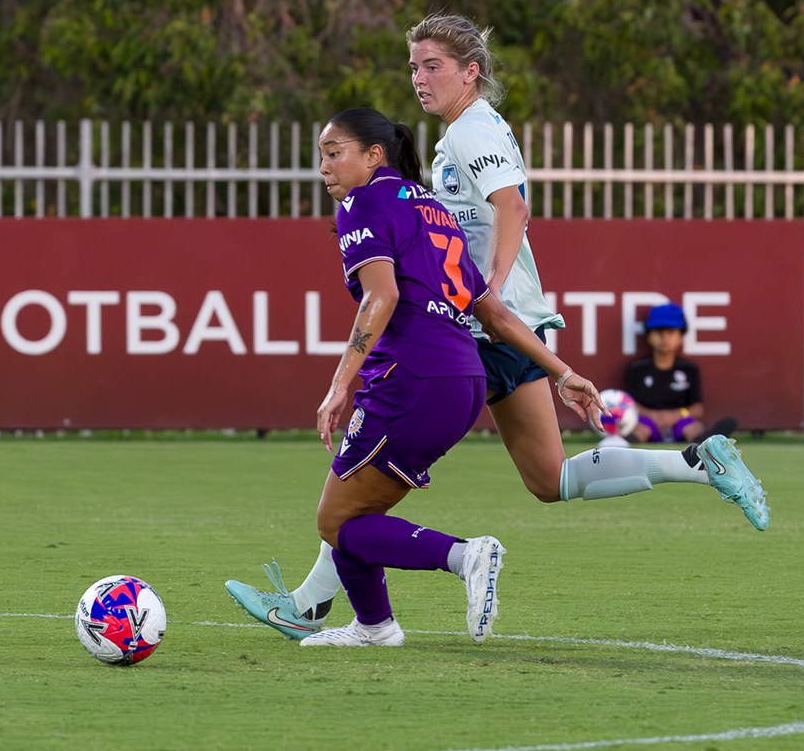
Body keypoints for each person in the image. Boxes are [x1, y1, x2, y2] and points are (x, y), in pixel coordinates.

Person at [228, 19, 769, 641]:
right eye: (413, 66)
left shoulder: (470, 129)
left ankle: (331, 602)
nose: (419, 78)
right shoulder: (465, 135)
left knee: (355, 491)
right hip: (504, 323)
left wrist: (490, 281)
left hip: (476, 324)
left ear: (471, 71)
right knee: (550, 478)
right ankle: (697, 464)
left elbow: (511, 205)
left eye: (432, 65)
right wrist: (557, 364)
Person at [248, 108, 605, 647]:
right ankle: (374, 626)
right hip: (463, 379)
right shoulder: (434, 208)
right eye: (322, 155)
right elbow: (496, 314)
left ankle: (464, 556)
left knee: (336, 521)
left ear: (374, 155)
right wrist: (564, 372)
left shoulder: (362, 203)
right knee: (355, 511)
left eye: (333, 153)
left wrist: (340, 385)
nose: (324, 167)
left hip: (412, 376)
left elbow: (382, 296)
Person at [612, 302, 738, 447]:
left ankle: (706, 440)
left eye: (671, 332)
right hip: (647, 421)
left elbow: (698, 409)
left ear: (681, 337)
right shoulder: (637, 369)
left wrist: (676, 415)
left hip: (680, 421)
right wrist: (652, 415)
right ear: (648, 336)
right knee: (640, 429)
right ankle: (624, 439)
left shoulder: (689, 369)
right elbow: (630, 405)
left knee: (693, 427)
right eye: (659, 332)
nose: (664, 338)